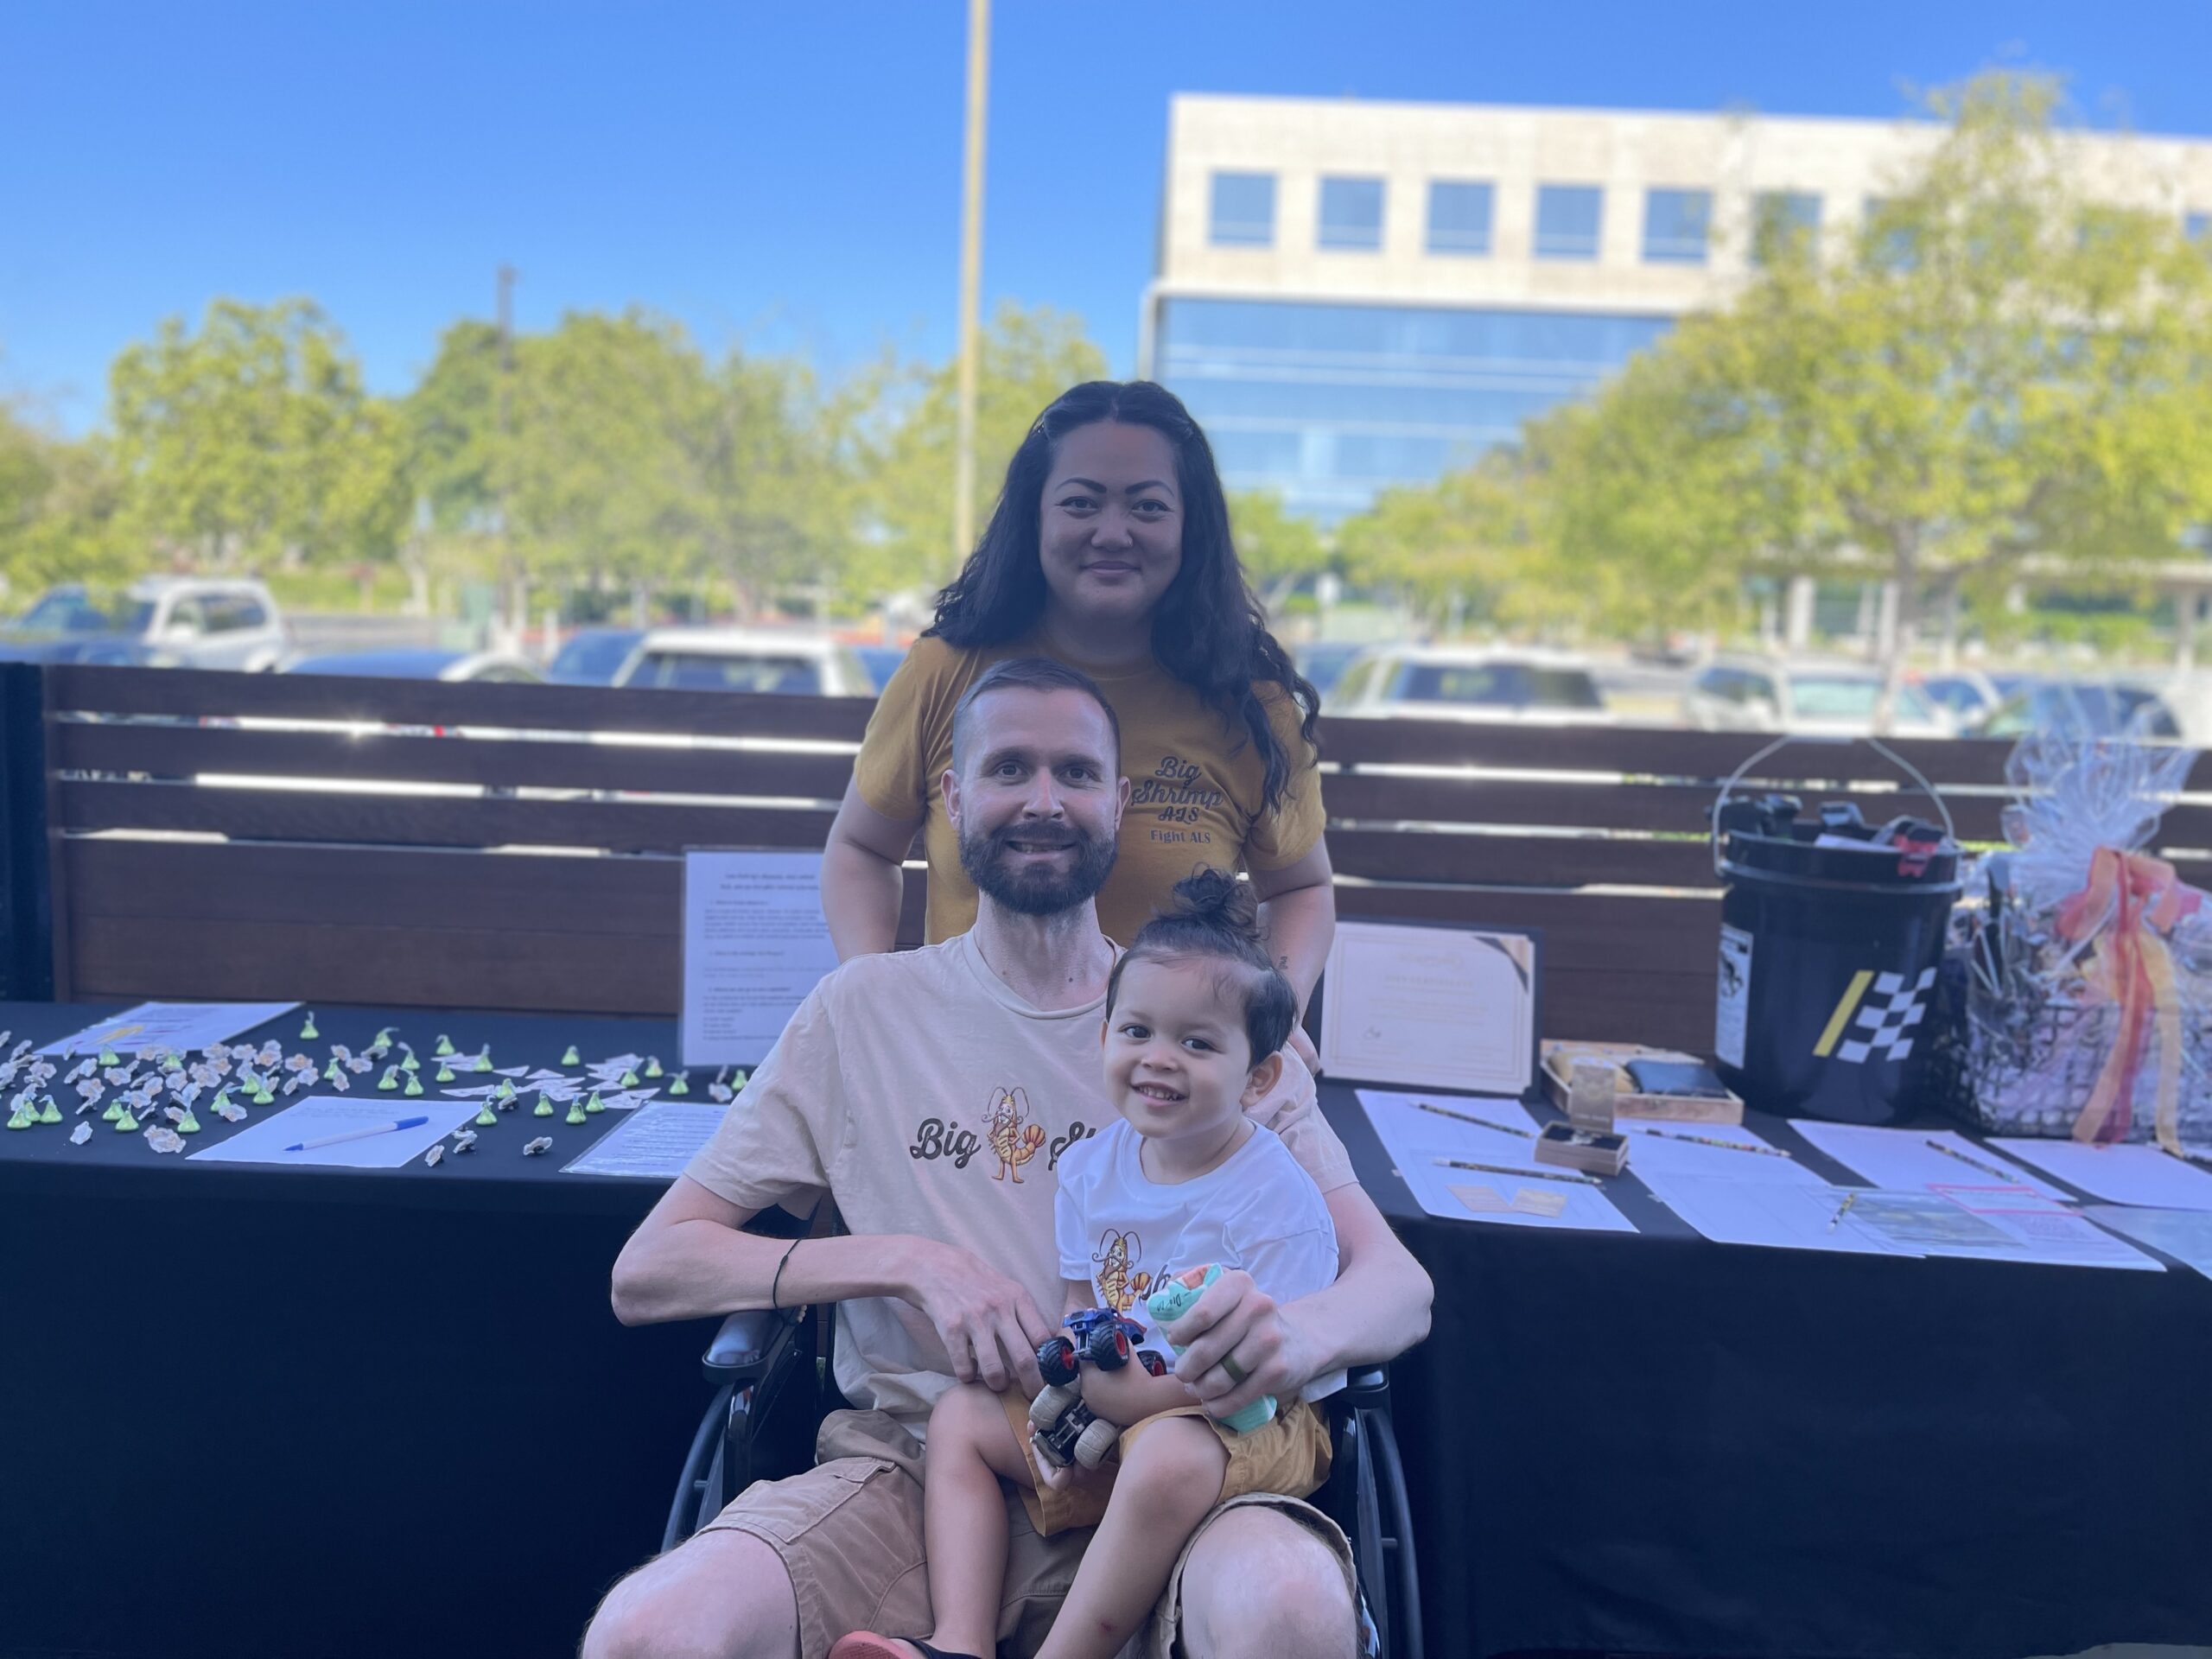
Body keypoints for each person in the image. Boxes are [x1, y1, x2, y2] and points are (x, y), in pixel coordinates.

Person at [584, 659, 1431, 1659]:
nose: (1042, 800)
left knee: (1287, 1608)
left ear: (1116, 805)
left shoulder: (1207, 1029)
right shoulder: (862, 1012)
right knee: (646, 1634)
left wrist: (1296, 1336)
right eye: (1009, 769)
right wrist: (907, 1260)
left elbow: (1400, 1291)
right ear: (949, 798)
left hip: (1188, 1470)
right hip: (920, 1471)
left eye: (1075, 773)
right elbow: (648, 1272)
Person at [831, 870, 1343, 1659]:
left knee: (1168, 1452)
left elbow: (1274, 1375)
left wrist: (1131, 1400)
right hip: (1119, 1398)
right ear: (1103, 1038)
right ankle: (958, 1642)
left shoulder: (1276, 1197)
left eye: (1197, 1043)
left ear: (1260, 1076)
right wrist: (1068, 1387)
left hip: (1246, 1417)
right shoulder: (1093, 1168)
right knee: (963, 1415)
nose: (1157, 1060)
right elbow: (1084, 1298)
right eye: (1136, 1031)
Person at [821, 379, 1336, 1041]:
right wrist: (871, 990)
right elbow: (861, 848)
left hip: (1165, 1086)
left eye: (1148, 507)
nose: (1112, 533)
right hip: (964, 1057)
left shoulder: (1250, 705)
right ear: (1036, 517)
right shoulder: (946, 672)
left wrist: (1274, 1015)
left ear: (1190, 527)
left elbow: (1300, 890)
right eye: (1081, 503)